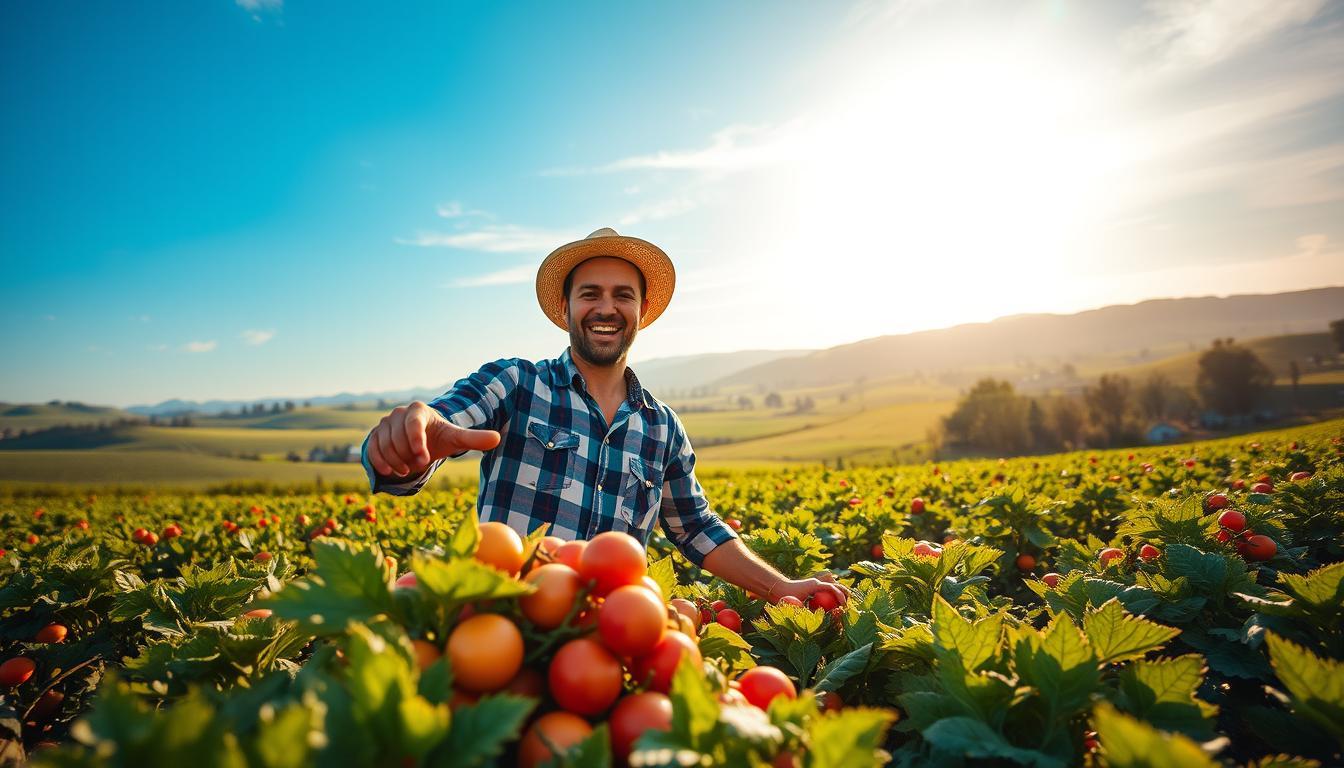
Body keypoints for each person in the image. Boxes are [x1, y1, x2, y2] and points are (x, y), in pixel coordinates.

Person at [362, 227, 847, 607]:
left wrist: (780, 586)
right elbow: (440, 422)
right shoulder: (514, 384)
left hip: (606, 641)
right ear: (565, 305)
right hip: (503, 626)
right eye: (590, 293)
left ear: (643, 309)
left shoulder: (662, 428)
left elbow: (696, 527)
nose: (606, 308)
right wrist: (408, 445)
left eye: (623, 295)